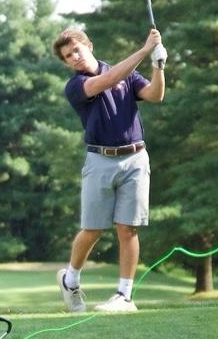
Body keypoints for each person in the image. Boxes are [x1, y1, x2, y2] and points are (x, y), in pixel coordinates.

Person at [52, 26, 167, 313]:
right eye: (68, 56)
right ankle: (71, 279)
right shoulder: (76, 86)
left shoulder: (125, 73)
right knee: (92, 229)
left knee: (127, 229)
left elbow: (155, 95)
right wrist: (144, 50)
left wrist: (158, 65)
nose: (74, 58)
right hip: (99, 160)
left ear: (88, 45)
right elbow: (108, 79)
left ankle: (124, 296)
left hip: (136, 158)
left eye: (76, 50)